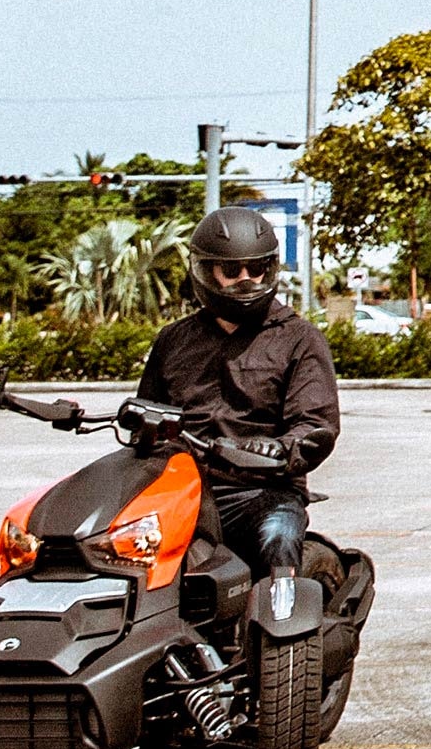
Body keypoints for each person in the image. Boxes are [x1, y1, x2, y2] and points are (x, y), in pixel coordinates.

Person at [137, 203, 340, 602]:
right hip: (183, 489)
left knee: (277, 538)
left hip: (261, 489)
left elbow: (314, 422)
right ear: (205, 271)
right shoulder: (174, 340)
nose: (246, 279)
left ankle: (285, 652)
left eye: (257, 268)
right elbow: (148, 412)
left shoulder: (298, 339)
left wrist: (280, 449)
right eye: (231, 271)